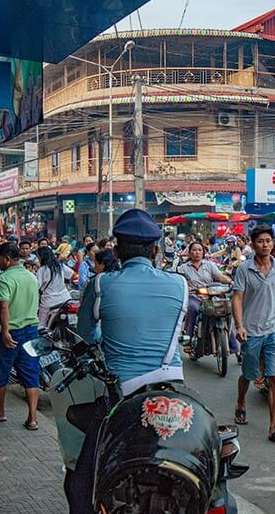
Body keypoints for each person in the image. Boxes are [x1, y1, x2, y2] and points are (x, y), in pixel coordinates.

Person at [71, 209, 188, 512]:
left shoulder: (101, 284)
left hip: (121, 395)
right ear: (156, 250)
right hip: (173, 390)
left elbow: (85, 334)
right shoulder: (180, 284)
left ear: (117, 250)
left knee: (80, 481)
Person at [231, 225, 275, 446]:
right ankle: (240, 402)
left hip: (274, 329)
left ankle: (274, 427)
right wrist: (239, 325)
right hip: (252, 331)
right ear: (253, 244)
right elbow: (237, 298)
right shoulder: (244, 269)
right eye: (260, 241)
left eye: (268, 241)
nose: (265, 245)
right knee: (249, 373)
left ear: (273, 243)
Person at [0, 242, 41, 431]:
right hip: (31, 330)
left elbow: (5, 307)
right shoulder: (31, 277)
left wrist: (4, 331)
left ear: (6, 258)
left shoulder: (4, 278)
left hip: (11, 332)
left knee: (1, 373)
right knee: (31, 374)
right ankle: (33, 418)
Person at [177, 241, 233, 351]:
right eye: (194, 250)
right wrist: (187, 288)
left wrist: (231, 282)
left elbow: (219, 277)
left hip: (211, 297)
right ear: (189, 253)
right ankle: (188, 340)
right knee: (193, 308)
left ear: (203, 252)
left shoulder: (210, 265)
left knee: (225, 311)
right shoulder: (183, 268)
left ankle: (236, 349)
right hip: (195, 297)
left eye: (199, 250)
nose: (197, 252)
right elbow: (181, 282)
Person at [36, 246, 74, 328]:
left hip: (49, 301)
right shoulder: (60, 266)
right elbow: (71, 274)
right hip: (65, 299)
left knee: (41, 325)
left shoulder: (42, 270)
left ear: (41, 257)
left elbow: (36, 286)